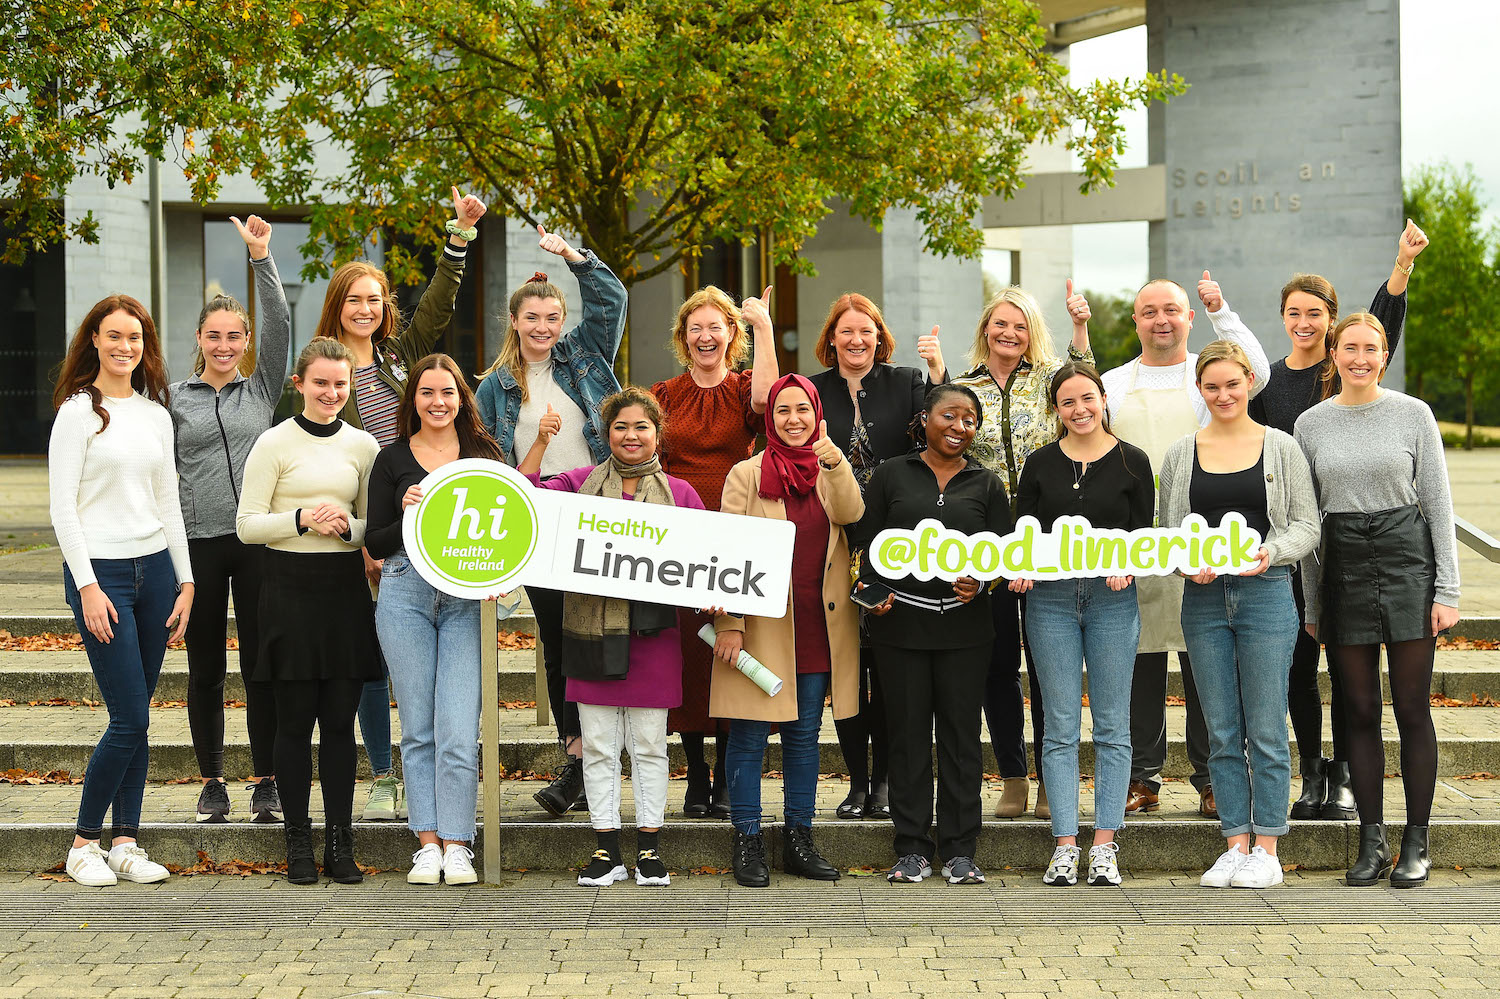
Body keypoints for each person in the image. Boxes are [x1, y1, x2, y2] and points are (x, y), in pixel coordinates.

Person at [310, 187, 486, 822]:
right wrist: (364, 535)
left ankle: (427, 785)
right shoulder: (320, 367)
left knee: (405, 647)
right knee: (375, 653)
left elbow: (438, 306)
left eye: (374, 300)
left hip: (418, 509)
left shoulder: (398, 357)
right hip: (357, 517)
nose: (364, 308)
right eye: (353, 300)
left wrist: (458, 236)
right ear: (337, 308)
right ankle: (385, 770)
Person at [1246, 219, 1429, 821]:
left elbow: (1383, 321)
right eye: (1294, 312)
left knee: (1356, 678)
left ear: (1331, 318)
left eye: (1316, 313)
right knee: (1299, 667)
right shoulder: (1267, 383)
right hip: (1299, 545)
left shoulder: (1344, 368)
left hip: (1359, 547)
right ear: (1283, 317)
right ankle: (1314, 774)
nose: (1305, 322)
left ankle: (1349, 775)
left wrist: (1401, 265)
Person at [1295, 314, 1460, 888]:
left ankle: (1417, 840)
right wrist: (1313, 606)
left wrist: (1448, 590)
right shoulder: (1310, 425)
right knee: (1357, 710)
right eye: (1349, 348)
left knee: (1412, 709)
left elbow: (1439, 506)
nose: (1360, 358)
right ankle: (1371, 841)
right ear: (1333, 354)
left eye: (1372, 348)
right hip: (1341, 566)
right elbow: (1309, 525)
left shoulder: (1414, 415)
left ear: (1384, 355)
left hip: (1406, 558)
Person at [1099, 272, 1271, 819]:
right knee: (1138, 663)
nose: (1161, 320)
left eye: (1171, 310)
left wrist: (1223, 309)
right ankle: (1141, 778)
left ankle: (1210, 776)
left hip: (1201, 544)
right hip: (1136, 543)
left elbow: (1257, 372)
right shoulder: (1115, 383)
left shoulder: (1208, 377)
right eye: (1149, 311)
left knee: (1208, 666)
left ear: (1188, 318)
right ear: (1136, 322)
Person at [519, 386, 706, 886]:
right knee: (599, 746)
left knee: (649, 746)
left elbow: (706, 563)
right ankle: (606, 850)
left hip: (653, 640)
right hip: (590, 634)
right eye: (621, 427)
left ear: (657, 435)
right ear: (606, 436)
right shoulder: (580, 484)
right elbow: (525, 496)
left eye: (641, 427)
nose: (631, 435)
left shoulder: (683, 495)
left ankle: (648, 850)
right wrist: (539, 441)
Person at [474, 224, 628, 817]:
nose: (543, 328)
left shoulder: (585, 358)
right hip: (539, 524)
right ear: (515, 321)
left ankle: (598, 755)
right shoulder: (493, 389)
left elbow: (612, 301)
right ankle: (577, 756)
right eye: (532, 318)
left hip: (598, 513)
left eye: (551, 318)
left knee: (601, 633)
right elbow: (491, 461)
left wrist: (574, 257)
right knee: (559, 642)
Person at [1160, 341, 1320, 889]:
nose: (1223, 394)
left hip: (1267, 594)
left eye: (1232, 384)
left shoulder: (1281, 447)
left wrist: (1269, 553)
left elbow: (1306, 525)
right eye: (1211, 386)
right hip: (1203, 601)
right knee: (1221, 726)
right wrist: (1185, 565)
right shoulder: (1182, 453)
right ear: (1199, 390)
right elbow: (1167, 533)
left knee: (1267, 724)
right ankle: (1233, 842)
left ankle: (1268, 846)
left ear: (1249, 381)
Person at [50, 295, 195, 887]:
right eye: (113, 337)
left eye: (134, 337)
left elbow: (168, 502)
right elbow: (62, 508)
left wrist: (186, 580)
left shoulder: (155, 414)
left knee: (139, 718)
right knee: (130, 718)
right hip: (101, 575)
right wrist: (86, 585)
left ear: (145, 345)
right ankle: (84, 843)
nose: (124, 347)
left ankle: (126, 843)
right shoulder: (76, 412)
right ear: (93, 342)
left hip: (156, 572)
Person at [236, 337, 382, 885]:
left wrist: (349, 528)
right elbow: (247, 526)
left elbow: (375, 528)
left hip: (342, 592)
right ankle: (298, 841)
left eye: (340, 384)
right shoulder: (273, 444)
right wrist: (300, 519)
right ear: (299, 384)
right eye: (320, 382)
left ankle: (340, 844)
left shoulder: (363, 447)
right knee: (294, 725)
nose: (331, 393)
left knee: (340, 728)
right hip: (287, 591)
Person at [853, 384, 1010, 886]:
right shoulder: (891, 474)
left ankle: (962, 850)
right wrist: (871, 592)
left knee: (963, 741)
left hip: (966, 632)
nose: (958, 426)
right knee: (907, 739)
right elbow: (865, 543)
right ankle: (913, 847)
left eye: (969, 419)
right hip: (901, 628)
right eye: (948, 415)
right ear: (924, 418)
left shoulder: (988, 485)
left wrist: (982, 581)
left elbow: (1005, 555)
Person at [711, 374, 865, 887]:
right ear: (770, 418)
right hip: (761, 629)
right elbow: (729, 552)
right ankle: (748, 839)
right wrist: (728, 623)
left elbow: (852, 512)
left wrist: (836, 460)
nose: (794, 420)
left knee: (803, 738)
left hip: (820, 626)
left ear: (817, 415)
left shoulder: (828, 469)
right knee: (750, 735)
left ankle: (800, 837)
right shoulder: (745, 474)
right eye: (783, 411)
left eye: (803, 410)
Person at [954, 283, 1094, 821]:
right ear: (985, 328)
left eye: (1020, 325)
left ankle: (1047, 780)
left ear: (1033, 332)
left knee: (1046, 665)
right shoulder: (965, 386)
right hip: (985, 539)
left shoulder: (1049, 382)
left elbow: (1086, 385)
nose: (1009, 333)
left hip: (1046, 537)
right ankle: (1012, 775)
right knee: (996, 665)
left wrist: (1080, 327)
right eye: (1000, 323)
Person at [1010, 362, 1152, 887]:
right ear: (1056, 409)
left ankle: (1105, 845)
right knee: (1060, 725)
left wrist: (1128, 563)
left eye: (1087, 398)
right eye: (1067, 402)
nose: (1080, 409)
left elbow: (1144, 535)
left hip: (1112, 601)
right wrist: (1020, 569)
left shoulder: (1133, 462)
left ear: (1102, 398)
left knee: (1114, 726)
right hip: (1049, 602)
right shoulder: (1039, 463)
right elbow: (1022, 530)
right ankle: (1065, 845)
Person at [168, 215, 289, 826]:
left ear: (245, 341)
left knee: (260, 664)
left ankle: (265, 780)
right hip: (200, 546)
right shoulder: (173, 399)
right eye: (213, 336)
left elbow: (281, 323)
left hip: (258, 540)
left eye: (234, 336)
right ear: (199, 338)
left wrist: (262, 258)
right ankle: (213, 780)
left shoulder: (262, 391)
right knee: (206, 666)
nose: (224, 346)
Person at [805, 293, 944, 821]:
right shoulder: (813, 391)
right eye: (846, 331)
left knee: (886, 666)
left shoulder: (907, 382)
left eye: (866, 331)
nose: (856, 340)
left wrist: (936, 370)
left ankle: (884, 780)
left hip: (893, 538)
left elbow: (934, 425)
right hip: (836, 541)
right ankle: (856, 782)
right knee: (847, 664)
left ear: (879, 336)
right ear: (832, 339)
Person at [368, 354, 506, 886]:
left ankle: (458, 842)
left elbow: (510, 526)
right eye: (427, 393)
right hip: (405, 593)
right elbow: (374, 541)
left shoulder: (483, 455)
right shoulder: (391, 459)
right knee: (418, 727)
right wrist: (405, 511)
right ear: (414, 400)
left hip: (466, 599)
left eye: (447, 392)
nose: (438, 402)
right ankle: (427, 842)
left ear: (461, 398)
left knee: (456, 727)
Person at [651, 286, 779, 818]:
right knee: (686, 654)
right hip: (678, 536)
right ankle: (696, 773)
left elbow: (770, 405)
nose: (705, 336)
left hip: (731, 530)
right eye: (695, 329)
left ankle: (726, 771)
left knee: (725, 649)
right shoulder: (665, 393)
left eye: (715, 327)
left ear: (731, 335)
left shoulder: (744, 388)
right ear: (684, 339)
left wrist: (765, 327)